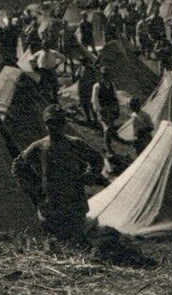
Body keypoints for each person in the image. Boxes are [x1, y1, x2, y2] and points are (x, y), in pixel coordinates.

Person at [11, 105, 106, 245]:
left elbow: (97, 159)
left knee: (77, 241)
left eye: (58, 123)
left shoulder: (75, 144)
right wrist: (32, 187)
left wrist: (88, 176)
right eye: (51, 124)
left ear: (63, 124)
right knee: (54, 243)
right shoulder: (39, 147)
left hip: (74, 202)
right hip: (51, 204)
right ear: (45, 126)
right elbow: (18, 165)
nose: (54, 127)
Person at [91, 68, 120, 154]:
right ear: (101, 76)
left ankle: (107, 146)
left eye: (107, 75)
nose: (106, 77)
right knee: (107, 129)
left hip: (110, 109)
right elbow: (94, 99)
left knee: (110, 129)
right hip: (102, 110)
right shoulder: (97, 86)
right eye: (104, 75)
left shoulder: (112, 85)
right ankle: (108, 149)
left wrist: (117, 108)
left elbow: (115, 97)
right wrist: (98, 110)